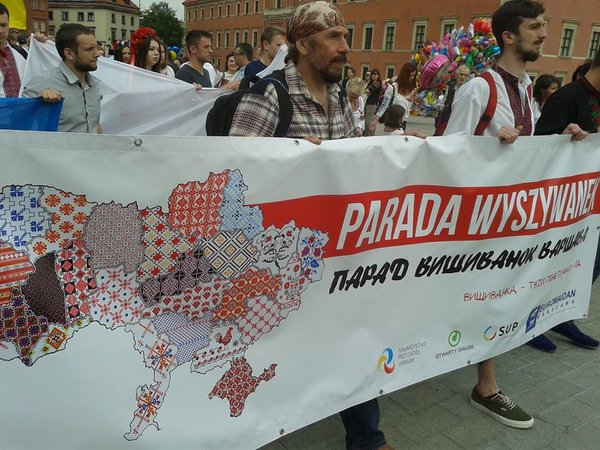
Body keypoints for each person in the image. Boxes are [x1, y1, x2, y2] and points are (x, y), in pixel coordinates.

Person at [230, 4, 392, 448]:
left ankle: (368, 439)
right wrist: (289, 154)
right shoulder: (269, 93)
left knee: (349, 343)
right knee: (274, 355)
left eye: (346, 35)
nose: (346, 47)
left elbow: (353, 156)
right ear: (303, 45)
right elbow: (231, 166)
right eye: (335, 38)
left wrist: (401, 149)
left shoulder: (338, 94)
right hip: (277, 265)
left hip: (333, 254)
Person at [444, 0, 586, 429]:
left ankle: (485, 383)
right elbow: (448, 153)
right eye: (535, 27)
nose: (544, 34)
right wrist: (488, 145)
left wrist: (561, 142)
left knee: (497, 296)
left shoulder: (524, 88)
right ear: (508, 36)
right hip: (474, 221)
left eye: (544, 26)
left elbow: (529, 150)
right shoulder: (480, 89)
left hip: (509, 220)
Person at [21, 23, 102, 133]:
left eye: (96, 48)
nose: (97, 54)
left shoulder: (95, 84)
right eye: (89, 49)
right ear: (69, 54)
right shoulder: (43, 82)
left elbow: (95, 126)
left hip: (93, 150)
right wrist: (38, 102)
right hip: (57, 149)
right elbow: (20, 123)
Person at [0, 2, 26, 97]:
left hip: (22, 110)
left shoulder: (22, 53)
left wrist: (42, 45)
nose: (0, 31)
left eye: (3, 25)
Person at [363, 69, 382, 136]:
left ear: (378, 75)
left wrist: (362, 90)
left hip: (372, 104)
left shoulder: (377, 83)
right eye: (372, 74)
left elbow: (368, 91)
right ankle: (369, 135)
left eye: (375, 74)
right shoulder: (370, 83)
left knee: (368, 121)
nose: (373, 75)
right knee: (366, 120)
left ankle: (367, 136)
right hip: (367, 103)